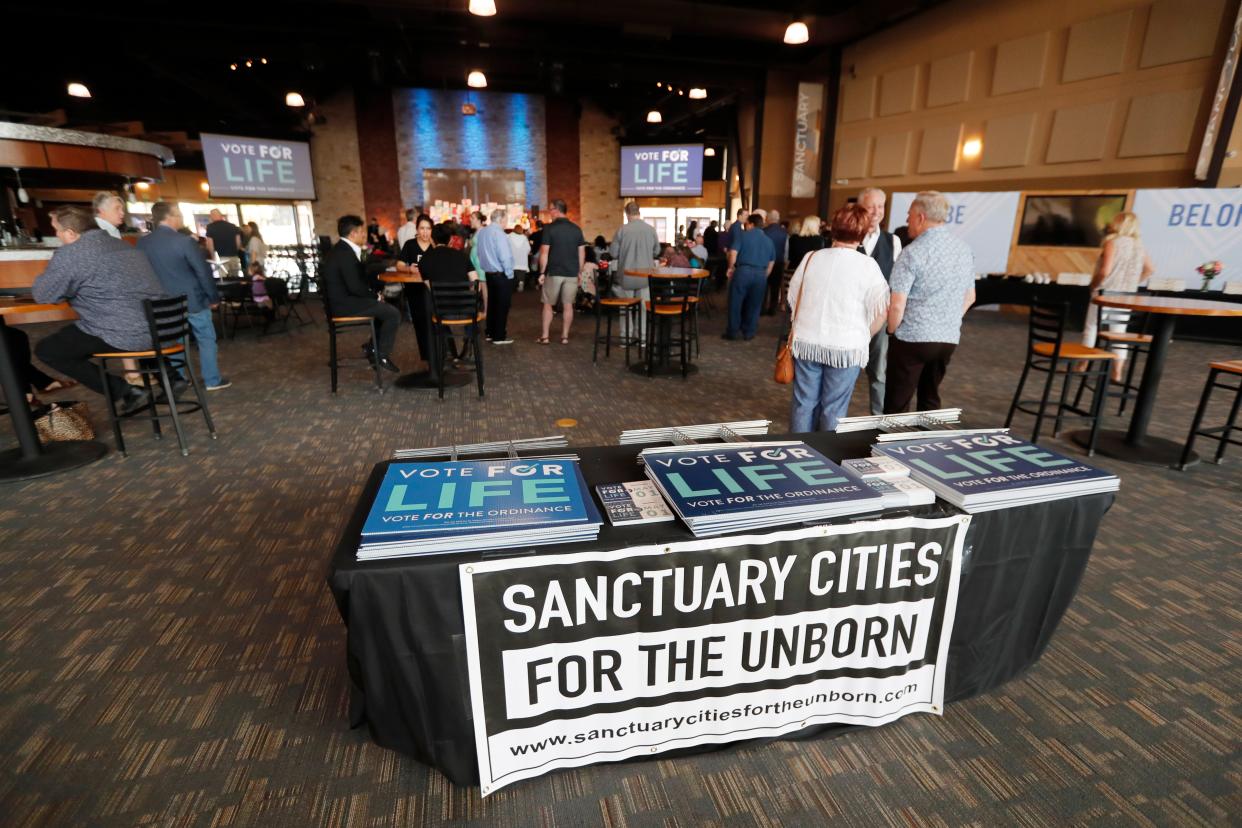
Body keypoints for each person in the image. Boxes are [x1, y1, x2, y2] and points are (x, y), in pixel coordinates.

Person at [32, 205, 165, 414]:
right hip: (160, 328)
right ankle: (151, 385)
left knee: (48, 350)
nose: (56, 235)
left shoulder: (72, 253)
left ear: (70, 233)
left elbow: (44, 294)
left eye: (57, 230)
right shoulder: (123, 245)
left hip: (122, 332)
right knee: (72, 339)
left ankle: (125, 391)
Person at [787, 204, 889, 432]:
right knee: (834, 408)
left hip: (807, 342)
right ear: (862, 234)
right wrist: (864, 334)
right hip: (847, 347)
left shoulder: (811, 258)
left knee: (804, 403)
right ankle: (825, 459)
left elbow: (794, 297)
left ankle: (796, 454)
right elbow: (882, 310)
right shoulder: (867, 265)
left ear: (833, 229)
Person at [884, 191, 975, 414]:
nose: (907, 221)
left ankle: (889, 449)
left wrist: (891, 331)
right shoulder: (964, 250)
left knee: (897, 404)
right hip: (947, 338)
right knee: (930, 400)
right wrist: (948, 320)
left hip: (912, 338)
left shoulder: (912, 252)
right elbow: (970, 297)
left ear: (920, 218)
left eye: (909, 216)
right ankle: (929, 447)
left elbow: (897, 304)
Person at [137, 202, 230, 391]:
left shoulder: (142, 244)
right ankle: (212, 380)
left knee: (175, 341)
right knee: (205, 339)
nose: (181, 218)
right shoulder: (185, 241)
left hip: (163, 304)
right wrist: (213, 297)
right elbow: (202, 272)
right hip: (193, 300)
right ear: (171, 217)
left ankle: (180, 378)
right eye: (179, 215)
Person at [1081, 211, 1155, 381]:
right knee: (1119, 333)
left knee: (1092, 327)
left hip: (1105, 293)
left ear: (1120, 224)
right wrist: (1133, 282)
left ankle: (1083, 363)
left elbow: (1105, 271)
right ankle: (1117, 371)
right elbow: (1150, 269)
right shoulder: (1139, 247)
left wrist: (1094, 284)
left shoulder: (1112, 243)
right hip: (1126, 295)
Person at [321, 215, 400, 372]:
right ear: (352, 234)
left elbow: (365, 262)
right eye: (361, 231)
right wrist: (375, 296)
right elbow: (355, 287)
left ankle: (371, 347)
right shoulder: (344, 254)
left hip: (344, 300)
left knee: (382, 309)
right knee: (393, 314)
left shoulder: (344, 249)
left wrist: (384, 266)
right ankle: (381, 355)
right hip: (344, 305)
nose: (364, 234)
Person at [857, 188, 903, 415]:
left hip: (880, 316)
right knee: (845, 371)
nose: (876, 212)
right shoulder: (849, 236)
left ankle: (878, 421)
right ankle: (833, 423)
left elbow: (896, 281)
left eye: (881, 206)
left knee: (879, 372)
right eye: (870, 206)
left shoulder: (893, 241)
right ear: (860, 208)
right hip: (851, 315)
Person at [609, 202, 662, 345]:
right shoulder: (651, 230)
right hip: (645, 275)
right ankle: (643, 338)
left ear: (627, 214)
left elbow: (613, 253)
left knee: (625, 306)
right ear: (639, 212)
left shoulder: (622, 230)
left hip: (626, 275)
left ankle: (625, 338)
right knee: (644, 307)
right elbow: (657, 251)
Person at [537, 199, 585, 345]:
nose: (549, 212)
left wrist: (541, 272)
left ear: (557, 210)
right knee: (568, 305)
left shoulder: (549, 229)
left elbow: (544, 253)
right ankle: (564, 337)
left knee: (548, 304)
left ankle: (545, 337)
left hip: (554, 271)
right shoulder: (576, 229)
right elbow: (581, 253)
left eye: (550, 209)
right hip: (571, 272)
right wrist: (579, 272)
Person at [724, 213, 775, 341]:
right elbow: (771, 263)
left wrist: (730, 268)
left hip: (743, 272)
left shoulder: (742, 236)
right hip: (760, 275)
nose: (745, 226)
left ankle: (733, 331)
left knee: (735, 303)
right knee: (755, 305)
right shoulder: (769, 241)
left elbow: (733, 254)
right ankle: (749, 332)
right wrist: (764, 275)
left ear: (751, 224)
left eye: (746, 224)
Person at [475, 208, 515, 344]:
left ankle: (490, 333)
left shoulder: (482, 232)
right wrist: (510, 274)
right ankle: (499, 336)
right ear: (501, 219)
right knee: (502, 306)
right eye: (506, 219)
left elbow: (479, 253)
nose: (506, 222)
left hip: (488, 273)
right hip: (501, 274)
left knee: (492, 304)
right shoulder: (500, 234)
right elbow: (505, 256)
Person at [762, 209, 788, 315]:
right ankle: (772, 309)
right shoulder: (784, 232)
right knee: (775, 287)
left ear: (768, 219)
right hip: (778, 262)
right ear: (778, 219)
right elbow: (786, 249)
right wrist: (785, 261)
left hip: (765, 262)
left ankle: (762, 308)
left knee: (764, 286)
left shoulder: (764, 231)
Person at [205, 209, 242, 278]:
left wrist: (213, 257)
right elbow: (238, 242)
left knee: (224, 279)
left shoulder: (210, 227)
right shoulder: (233, 226)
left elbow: (210, 244)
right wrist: (235, 252)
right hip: (234, 256)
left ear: (212, 216)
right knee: (236, 278)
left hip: (221, 259)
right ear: (221, 216)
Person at [508, 225, 531, 293]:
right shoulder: (524, 238)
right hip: (522, 259)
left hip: (512, 258)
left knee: (513, 272)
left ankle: (512, 286)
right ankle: (521, 283)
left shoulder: (509, 236)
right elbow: (528, 249)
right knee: (521, 272)